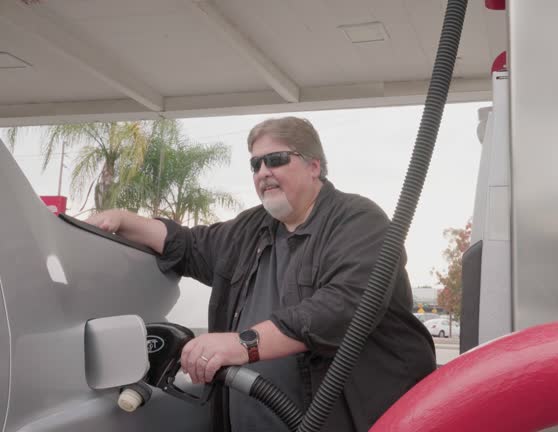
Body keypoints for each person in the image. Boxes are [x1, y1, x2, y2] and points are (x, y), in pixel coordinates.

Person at [86, 116, 436, 432]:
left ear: (314, 166)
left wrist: (241, 345)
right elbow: (190, 246)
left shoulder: (358, 220)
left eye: (276, 159)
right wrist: (122, 219)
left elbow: (344, 307)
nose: (263, 171)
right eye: (256, 164)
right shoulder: (251, 228)